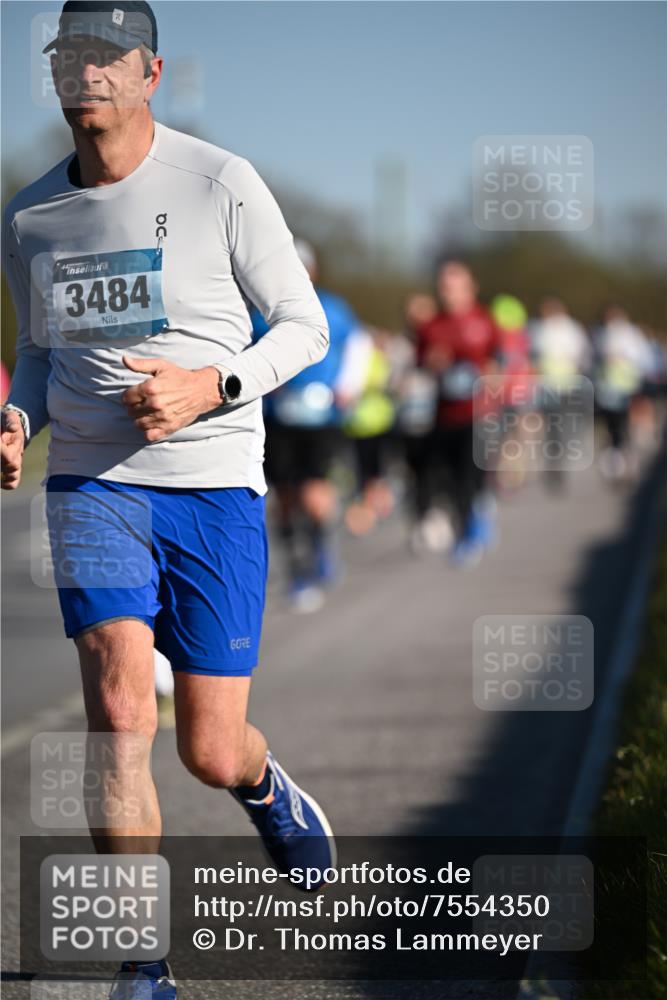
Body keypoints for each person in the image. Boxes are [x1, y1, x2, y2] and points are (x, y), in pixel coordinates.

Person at [1, 3, 335, 995]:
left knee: (206, 744)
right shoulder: (29, 215)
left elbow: (304, 326)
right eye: (70, 55)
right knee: (115, 704)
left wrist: (210, 385)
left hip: (213, 486)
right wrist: (20, 417)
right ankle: (143, 962)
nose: (87, 73)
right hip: (94, 484)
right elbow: (37, 349)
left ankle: (263, 787)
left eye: (108, 57)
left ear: (151, 74)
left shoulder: (218, 183)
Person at [252, 240, 366, 611]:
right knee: (284, 498)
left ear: (313, 270)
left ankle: (320, 546)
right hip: (278, 418)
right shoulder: (258, 313)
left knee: (314, 496)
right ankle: (297, 569)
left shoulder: (333, 308)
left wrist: (347, 387)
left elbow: (358, 347)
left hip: (323, 418)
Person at [415, 262, 501, 567]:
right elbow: (421, 364)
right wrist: (432, 364)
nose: (448, 293)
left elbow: (499, 359)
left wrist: (491, 373)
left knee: (470, 474)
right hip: (445, 413)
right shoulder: (431, 327)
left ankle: (470, 532)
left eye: (454, 286)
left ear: (470, 287)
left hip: (479, 413)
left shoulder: (484, 320)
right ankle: (471, 517)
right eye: (443, 287)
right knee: (449, 478)